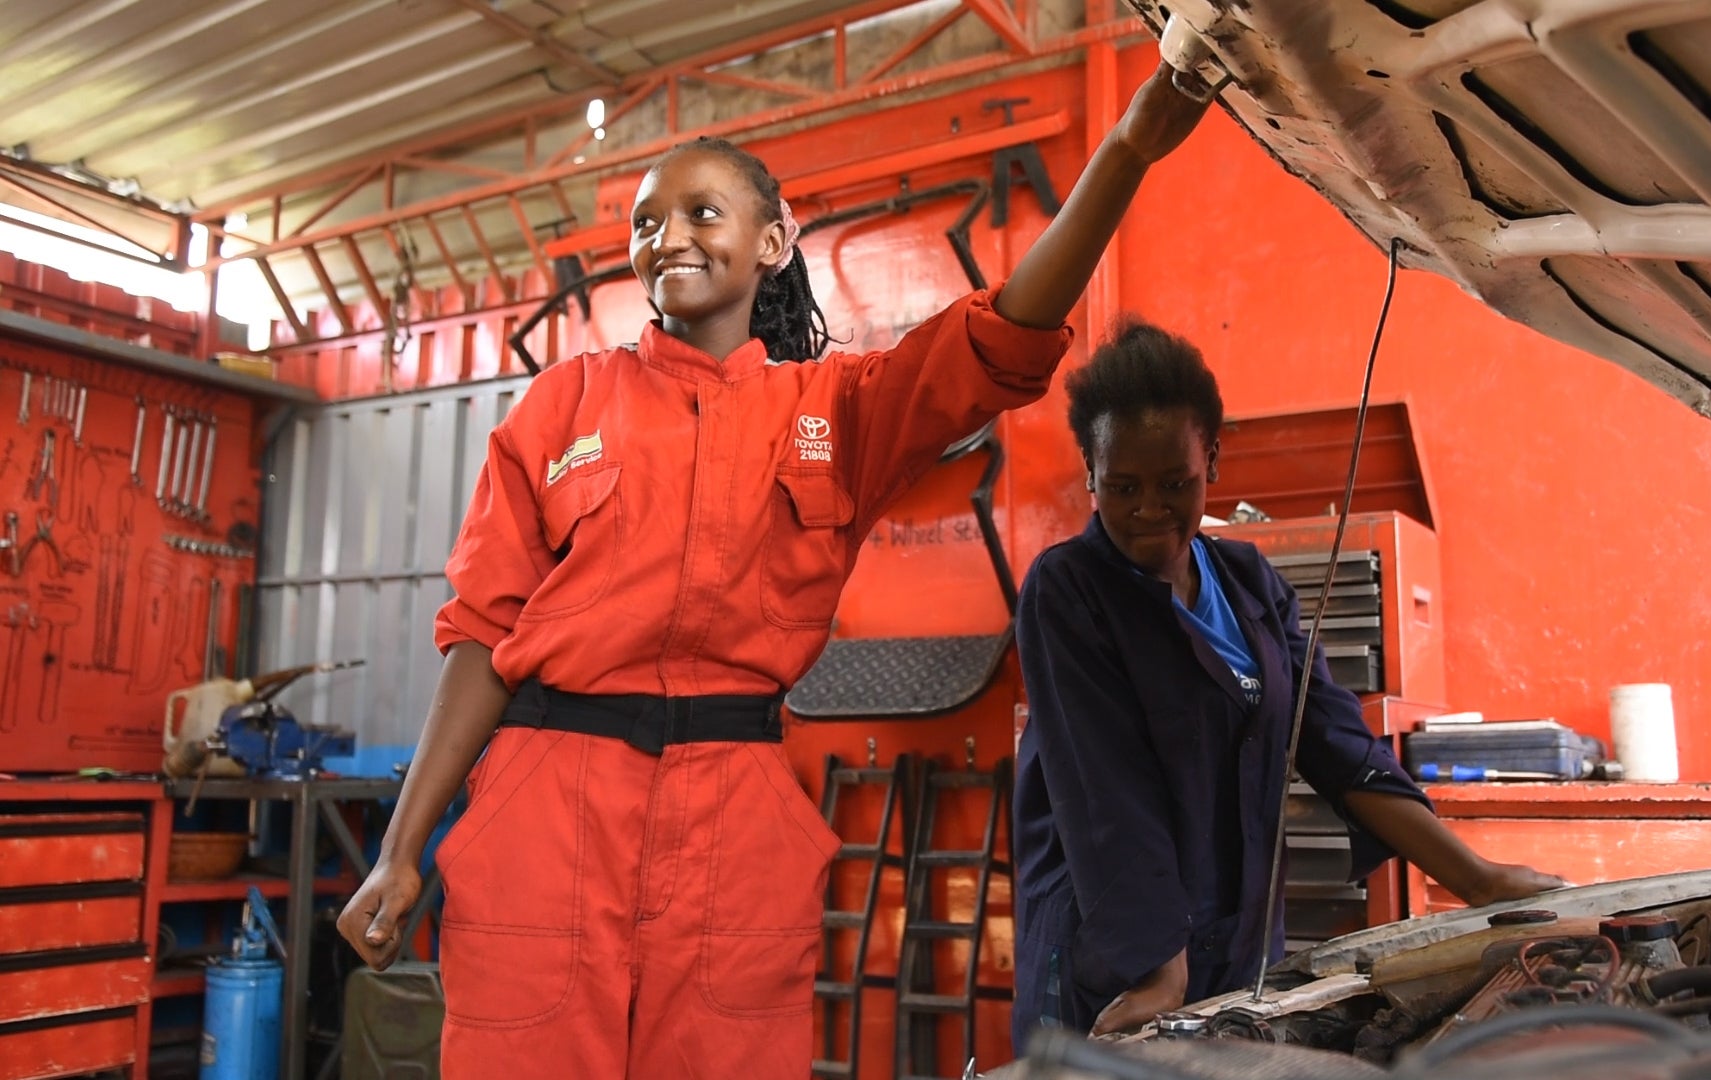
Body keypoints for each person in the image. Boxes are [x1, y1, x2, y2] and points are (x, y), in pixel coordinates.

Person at [335, 65, 1214, 1079]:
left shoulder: (837, 413)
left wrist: (1126, 152)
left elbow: (1001, 338)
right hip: (547, 805)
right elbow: (482, 636)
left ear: (774, 241)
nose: (668, 237)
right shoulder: (561, 406)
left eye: (702, 213)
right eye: (646, 221)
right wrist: (400, 849)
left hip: (736, 818)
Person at [1010, 320, 1566, 1049]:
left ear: (1212, 458)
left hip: (1237, 939)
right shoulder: (1068, 591)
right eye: (1123, 486)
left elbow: (1333, 737)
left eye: (1175, 483)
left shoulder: (1248, 582)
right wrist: (1157, 971)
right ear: (1090, 470)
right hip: (1115, 952)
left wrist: (1476, 878)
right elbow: (1103, 787)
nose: (1149, 508)